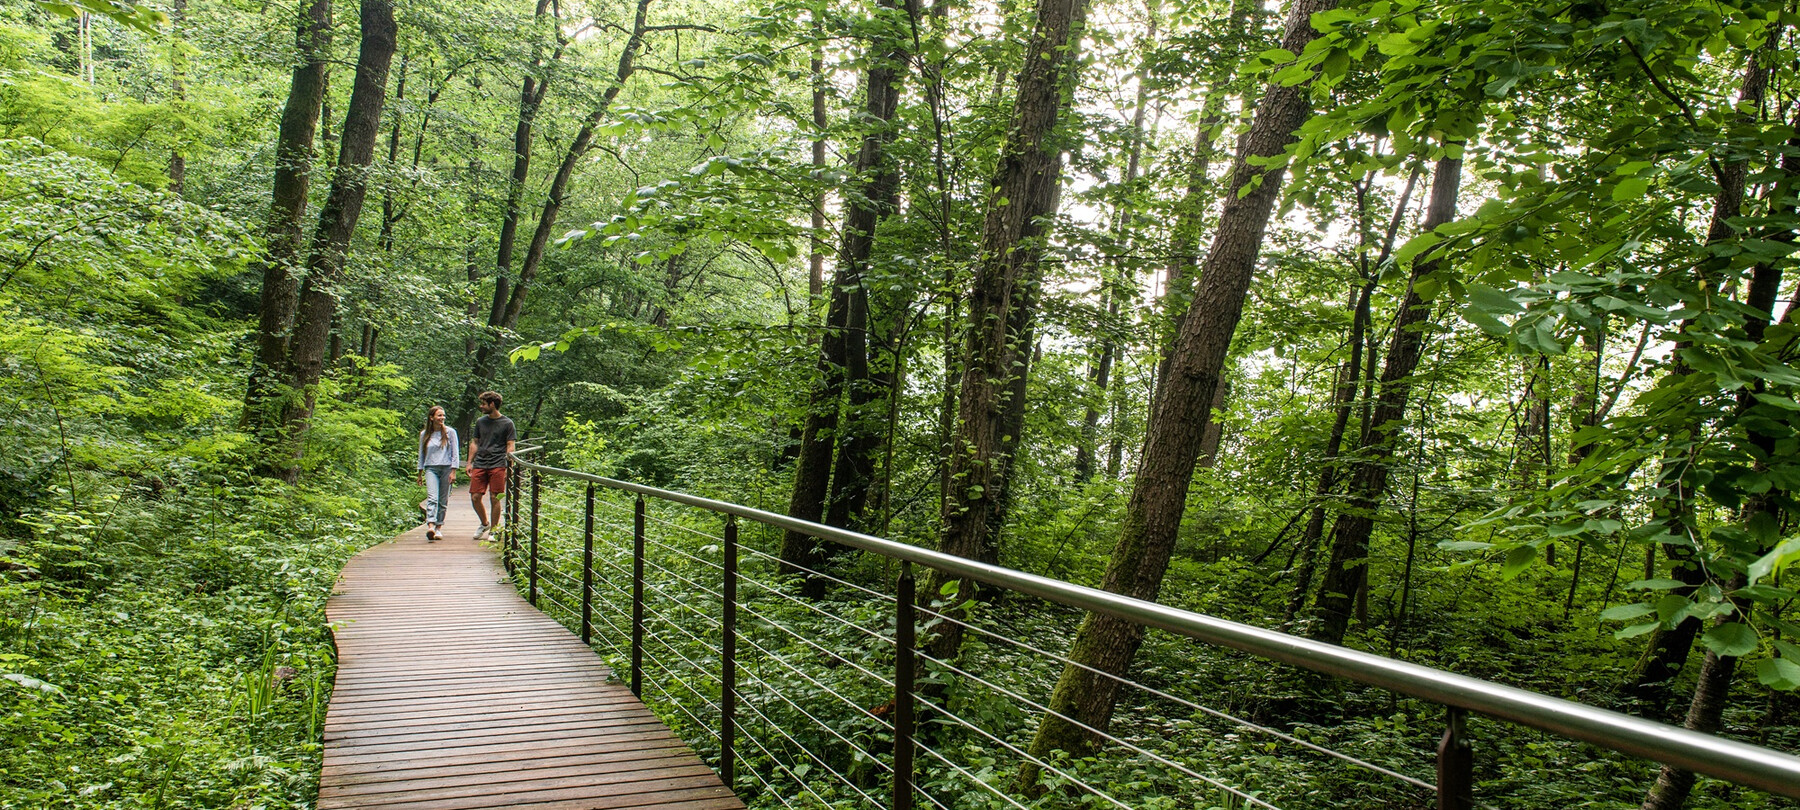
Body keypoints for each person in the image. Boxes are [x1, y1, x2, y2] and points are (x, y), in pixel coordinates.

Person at [465, 390, 516, 540]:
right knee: (475, 496)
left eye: (483, 404)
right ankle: (484, 523)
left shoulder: (507, 423)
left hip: (498, 463)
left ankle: (494, 530)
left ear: (492, 404)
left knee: (495, 497)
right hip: (481, 462)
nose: (481, 406)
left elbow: (510, 445)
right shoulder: (481, 422)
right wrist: (470, 462)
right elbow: (475, 442)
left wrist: (509, 466)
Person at [416, 405, 459, 542]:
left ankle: (439, 527)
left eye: (443, 415)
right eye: (439, 415)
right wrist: (419, 473)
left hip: (446, 468)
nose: (442, 418)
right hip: (431, 468)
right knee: (432, 497)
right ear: (431, 417)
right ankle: (430, 526)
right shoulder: (424, 434)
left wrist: (453, 471)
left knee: (443, 500)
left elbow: (455, 453)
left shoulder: (450, 432)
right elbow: (421, 454)